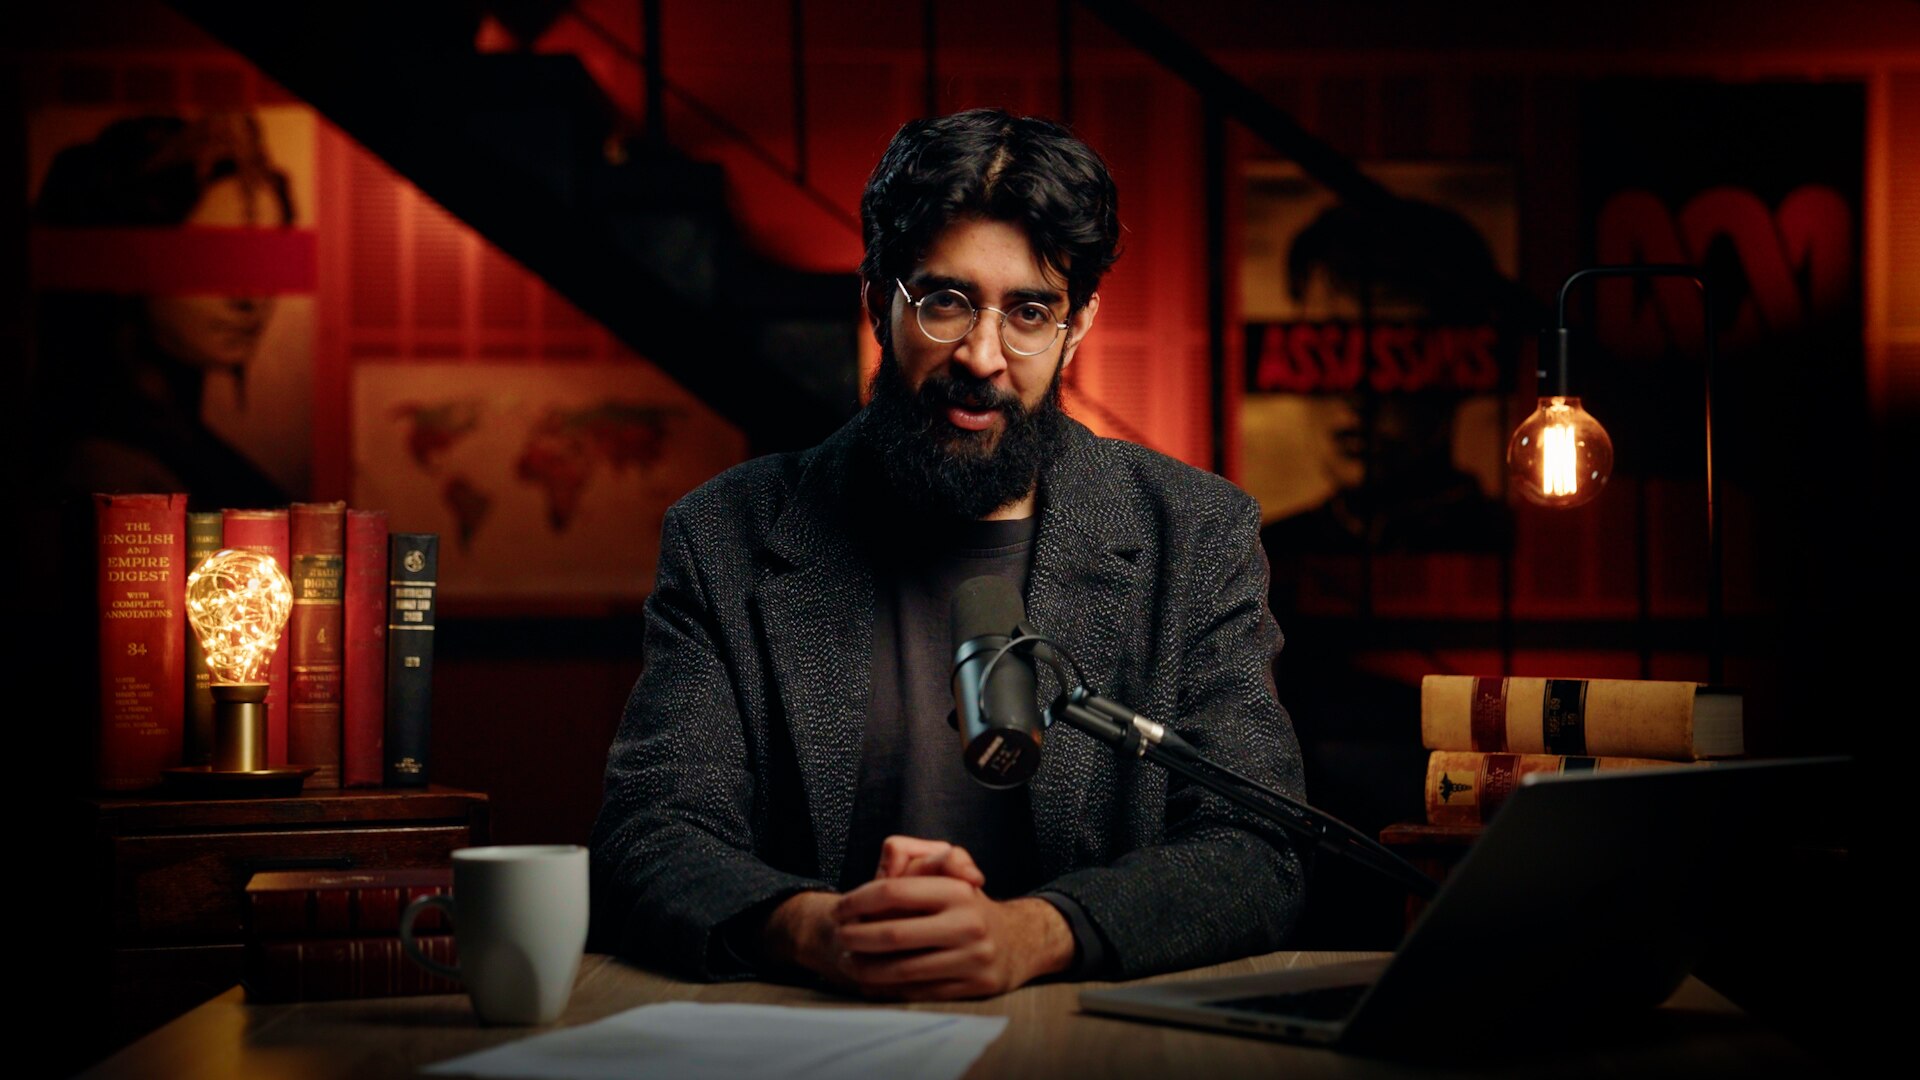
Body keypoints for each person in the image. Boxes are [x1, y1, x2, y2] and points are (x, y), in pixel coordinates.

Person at [590, 109, 1305, 1001]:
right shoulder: (725, 535)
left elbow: (1255, 849)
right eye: (945, 301)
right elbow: (647, 837)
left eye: (1030, 312)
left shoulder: (1196, 534)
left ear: (1077, 325)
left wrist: (1033, 935)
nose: (982, 356)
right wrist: (817, 928)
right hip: (812, 1041)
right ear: (876, 299)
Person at [29, 112, 295, 511]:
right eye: (212, 261)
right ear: (130, 265)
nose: (249, 296)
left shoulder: (188, 450)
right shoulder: (105, 469)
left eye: (264, 263)